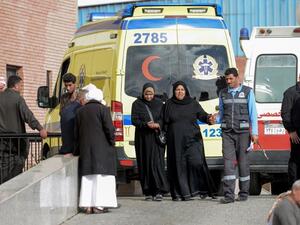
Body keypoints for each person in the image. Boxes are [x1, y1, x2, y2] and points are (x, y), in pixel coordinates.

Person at [163, 80, 216, 201]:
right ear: (174, 91)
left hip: (193, 138)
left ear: (186, 91)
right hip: (175, 141)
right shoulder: (169, 104)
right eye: (177, 90)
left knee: (196, 162)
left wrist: (209, 118)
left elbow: (202, 115)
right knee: (178, 166)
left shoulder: (193, 103)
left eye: (182, 90)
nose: (180, 92)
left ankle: (201, 189)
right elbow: (163, 121)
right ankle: (182, 193)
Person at [73, 85, 117, 214]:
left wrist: (76, 150)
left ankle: (87, 205)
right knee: (101, 178)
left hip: (86, 150)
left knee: (88, 178)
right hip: (102, 151)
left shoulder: (80, 111)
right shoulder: (103, 109)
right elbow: (109, 129)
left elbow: (76, 133)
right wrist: (112, 142)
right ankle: (99, 205)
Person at [217, 68, 258, 204]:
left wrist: (255, 133)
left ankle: (243, 193)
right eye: (226, 79)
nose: (228, 82)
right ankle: (229, 195)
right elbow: (221, 113)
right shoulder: (223, 93)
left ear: (237, 78)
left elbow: (253, 114)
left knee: (243, 163)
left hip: (243, 134)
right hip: (227, 133)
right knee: (228, 164)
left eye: (230, 79)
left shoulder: (247, 92)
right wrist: (214, 119)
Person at [0, 75, 47, 183]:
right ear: (16, 86)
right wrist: (40, 128)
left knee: (3, 168)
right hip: (16, 143)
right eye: (21, 86)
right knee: (16, 170)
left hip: (2, 142)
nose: (22, 88)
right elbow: (28, 116)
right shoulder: (18, 98)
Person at [131, 83, 169, 201]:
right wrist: (145, 124)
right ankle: (147, 191)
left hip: (156, 138)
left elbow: (164, 119)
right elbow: (134, 120)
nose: (148, 96)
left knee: (157, 164)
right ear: (143, 93)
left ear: (154, 93)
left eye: (151, 94)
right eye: (146, 94)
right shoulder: (137, 104)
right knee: (144, 163)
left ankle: (158, 190)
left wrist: (158, 124)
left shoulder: (159, 103)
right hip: (143, 138)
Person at [281, 79, 300, 188]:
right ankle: (294, 187)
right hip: (297, 133)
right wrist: (291, 130)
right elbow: (285, 113)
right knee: (296, 160)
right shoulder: (291, 92)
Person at [59, 73, 78, 155]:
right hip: (66, 134)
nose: (67, 88)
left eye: (70, 85)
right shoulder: (64, 97)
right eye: (66, 85)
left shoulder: (81, 96)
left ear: (75, 84)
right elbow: (62, 113)